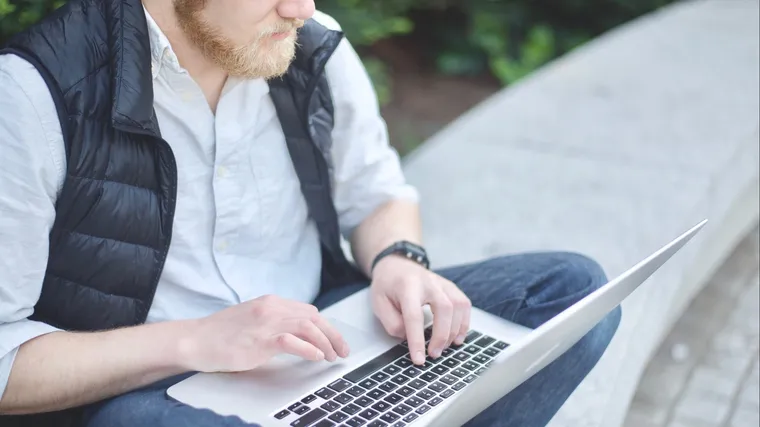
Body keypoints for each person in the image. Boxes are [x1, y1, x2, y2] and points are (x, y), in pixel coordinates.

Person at [0, 0, 621, 425]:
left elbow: (376, 192)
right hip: (161, 388)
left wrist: (399, 261)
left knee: (571, 295)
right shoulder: (33, 94)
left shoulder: (305, 38)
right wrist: (196, 341)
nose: (300, 7)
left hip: (327, 340)